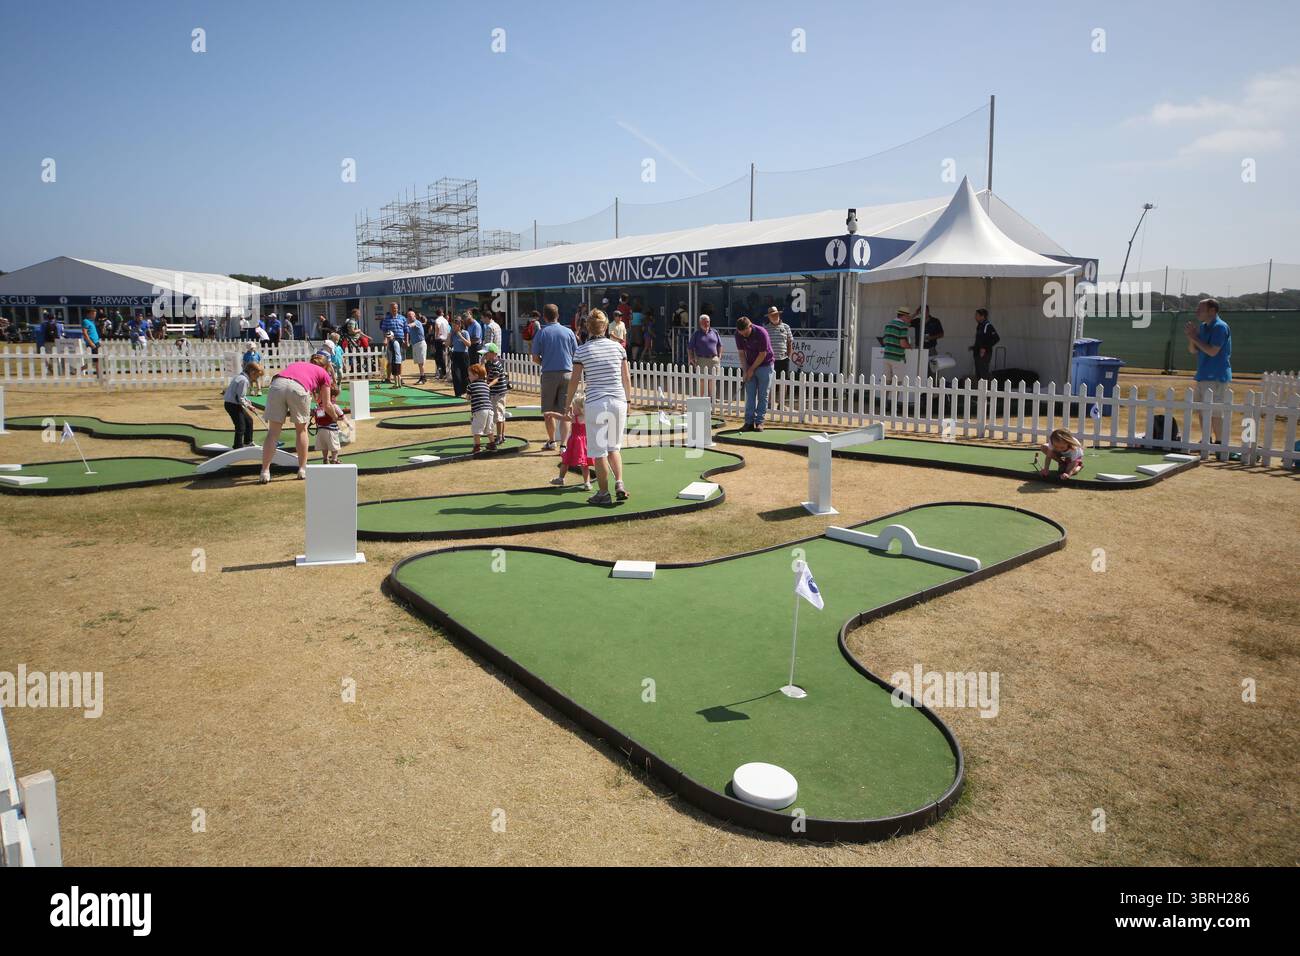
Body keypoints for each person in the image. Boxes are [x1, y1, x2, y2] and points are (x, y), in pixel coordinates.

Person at [565, 309, 631, 505]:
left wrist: (567, 404)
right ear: (605, 326)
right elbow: (626, 378)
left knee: (599, 451)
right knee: (614, 448)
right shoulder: (618, 348)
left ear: (588, 327)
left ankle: (603, 492)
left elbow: (574, 381)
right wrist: (628, 401)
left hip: (596, 403)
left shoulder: (582, 350)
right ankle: (619, 483)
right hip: (618, 401)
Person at [259, 350, 334, 482]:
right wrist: (335, 418)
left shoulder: (298, 364)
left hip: (277, 385)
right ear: (326, 366)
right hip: (299, 388)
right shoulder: (324, 373)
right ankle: (302, 469)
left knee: (273, 432)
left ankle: (265, 471)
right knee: (301, 430)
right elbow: (327, 404)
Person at [530, 303, 577, 451]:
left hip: (549, 373)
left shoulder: (541, 333)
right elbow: (576, 354)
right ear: (558, 315)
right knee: (565, 411)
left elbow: (535, 357)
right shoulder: (568, 332)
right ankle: (564, 445)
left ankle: (552, 441)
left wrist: (546, 361)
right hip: (567, 373)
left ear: (544, 316)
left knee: (548, 411)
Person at [734, 316, 775, 431]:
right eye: (741, 333)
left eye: (745, 332)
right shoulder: (738, 334)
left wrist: (751, 369)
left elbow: (762, 354)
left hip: (765, 365)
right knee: (750, 395)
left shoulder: (762, 333)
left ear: (750, 326)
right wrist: (745, 370)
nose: (743, 335)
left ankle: (759, 422)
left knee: (763, 395)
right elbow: (742, 354)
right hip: (750, 364)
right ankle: (748, 422)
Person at [550, 389, 593, 490]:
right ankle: (587, 483)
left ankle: (561, 478)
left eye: (574, 407)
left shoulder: (575, 418)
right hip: (584, 442)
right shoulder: (585, 417)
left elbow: (563, 417)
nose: (572, 408)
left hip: (575, 441)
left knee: (566, 460)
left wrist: (552, 414)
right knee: (584, 463)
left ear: (580, 408)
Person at [223, 361, 263, 449]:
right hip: (232, 405)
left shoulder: (240, 376)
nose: (256, 378)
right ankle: (237, 446)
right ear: (252, 372)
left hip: (233, 403)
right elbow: (240, 398)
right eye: (256, 376)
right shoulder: (244, 380)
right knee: (241, 426)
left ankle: (248, 442)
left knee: (249, 420)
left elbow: (241, 396)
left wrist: (248, 401)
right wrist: (249, 406)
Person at [688, 313, 723, 403]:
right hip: (702, 359)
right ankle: (702, 399)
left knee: (713, 380)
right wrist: (691, 358)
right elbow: (690, 348)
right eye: (704, 322)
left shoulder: (715, 332)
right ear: (700, 323)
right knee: (702, 380)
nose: (706, 324)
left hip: (714, 359)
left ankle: (712, 399)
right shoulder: (696, 334)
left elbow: (719, 345)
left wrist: (719, 356)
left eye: (708, 322)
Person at [483, 342, 509, 449]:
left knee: (498, 415)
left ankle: (499, 436)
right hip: (499, 392)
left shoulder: (495, 364)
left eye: (486, 354)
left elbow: (496, 378)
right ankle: (502, 435)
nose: (484, 356)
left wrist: (487, 385)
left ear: (493, 353)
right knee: (501, 414)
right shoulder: (494, 362)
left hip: (497, 393)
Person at [314, 384, 347, 464]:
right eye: (336, 396)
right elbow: (342, 417)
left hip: (321, 429)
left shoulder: (319, 406)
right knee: (334, 446)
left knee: (324, 446)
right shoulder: (334, 406)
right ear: (332, 396)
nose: (336, 398)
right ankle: (334, 459)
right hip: (331, 430)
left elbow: (320, 417)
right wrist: (344, 422)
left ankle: (325, 459)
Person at [467, 363, 494, 454]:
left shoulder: (470, 386)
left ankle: (477, 447)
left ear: (476, 375)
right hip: (489, 409)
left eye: (470, 375)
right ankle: (492, 444)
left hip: (479, 410)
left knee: (477, 429)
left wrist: (469, 397)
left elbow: (468, 397)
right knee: (489, 428)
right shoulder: (486, 385)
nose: (469, 377)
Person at [882, 308, 912, 383]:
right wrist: (909, 346)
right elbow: (903, 344)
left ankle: (884, 395)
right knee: (897, 383)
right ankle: (893, 396)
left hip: (887, 356)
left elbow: (884, 341)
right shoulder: (903, 326)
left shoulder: (888, 324)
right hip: (897, 358)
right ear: (904, 316)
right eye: (908, 316)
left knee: (886, 382)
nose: (908, 318)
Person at [971, 308, 999, 382]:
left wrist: (984, 348)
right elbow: (981, 339)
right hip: (977, 353)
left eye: (977, 315)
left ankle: (985, 391)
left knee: (983, 374)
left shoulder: (987, 326)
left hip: (984, 354)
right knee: (978, 374)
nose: (975, 317)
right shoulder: (980, 326)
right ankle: (980, 392)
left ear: (982, 316)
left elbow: (996, 338)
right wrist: (974, 347)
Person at [405, 309, 427, 384]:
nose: (409, 317)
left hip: (420, 344)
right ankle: (422, 376)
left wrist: (404, 325)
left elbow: (411, 325)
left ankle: (423, 378)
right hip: (415, 344)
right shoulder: (410, 322)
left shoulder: (417, 322)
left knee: (421, 363)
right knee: (419, 363)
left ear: (414, 316)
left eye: (411, 316)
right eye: (408, 316)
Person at [432, 308, 450, 379]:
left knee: (439, 357)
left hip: (439, 339)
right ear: (442, 313)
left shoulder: (438, 320)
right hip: (445, 339)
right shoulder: (445, 320)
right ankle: (443, 372)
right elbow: (448, 329)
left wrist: (436, 335)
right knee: (442, 356)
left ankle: (442, 372)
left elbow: (438, 326)